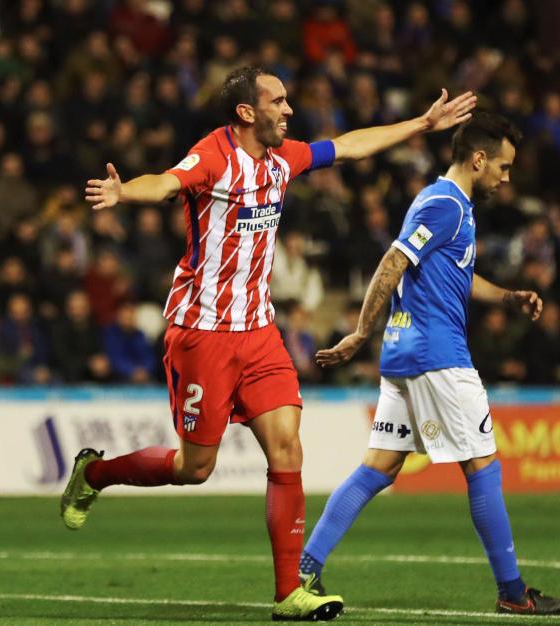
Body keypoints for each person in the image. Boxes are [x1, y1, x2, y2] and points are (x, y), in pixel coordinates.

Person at [61, 65, 476, 621]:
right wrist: (123, 192)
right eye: (278, 102)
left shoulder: (284, 159)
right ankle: (95, 474)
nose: (289, 110)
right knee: (195, 467)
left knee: (287, 449)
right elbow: (164, 182)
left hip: (258, 331)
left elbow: (349, 147)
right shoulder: (212, 156)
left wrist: (423, 123)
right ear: (246, 113)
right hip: (202, 333)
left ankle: (289, 593)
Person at [304, 112, 560, 616]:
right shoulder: (445, 204)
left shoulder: (450, 207)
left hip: (408, 355)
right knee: (484, 467)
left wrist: (509, 297)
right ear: (478, 159)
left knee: (378, 467)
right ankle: (514, 594)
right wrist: (362, 331)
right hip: (439, 358)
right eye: (503, 166)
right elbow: (393, 261)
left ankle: (307, 566)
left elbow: (459, 275)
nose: (506, 177)